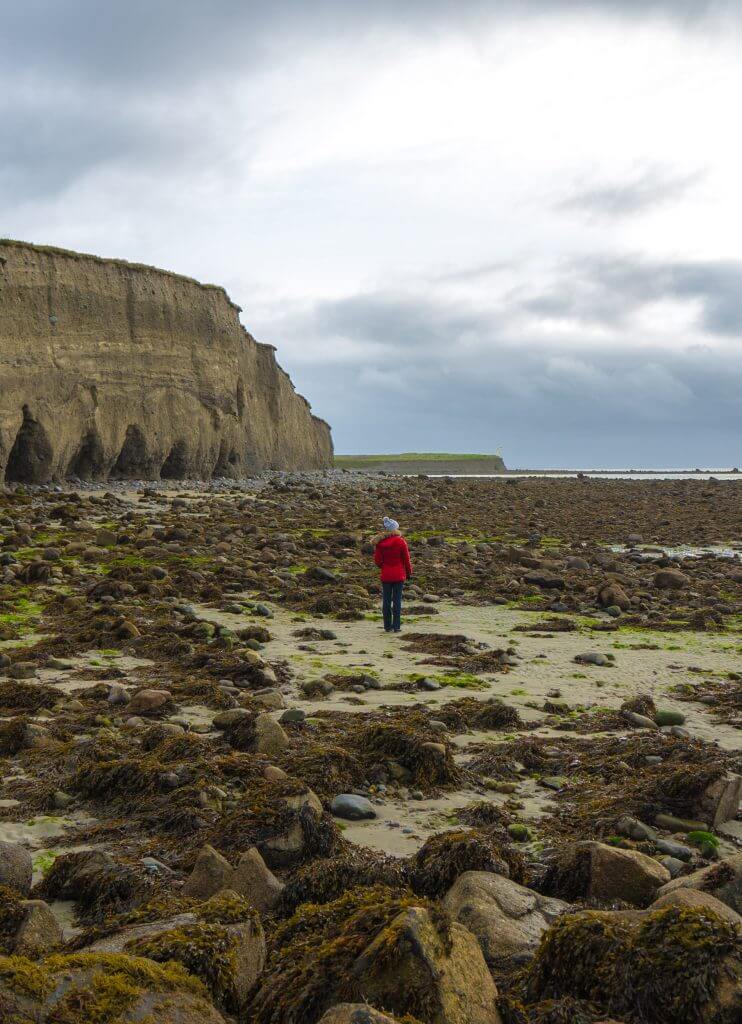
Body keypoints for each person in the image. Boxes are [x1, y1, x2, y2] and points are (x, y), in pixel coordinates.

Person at [373, 516, 412, 633]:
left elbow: (377, 561)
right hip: (399, 575)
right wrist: (409, 572)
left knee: (386, 601)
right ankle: (396, 626)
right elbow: (406, 559)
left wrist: (384, 567)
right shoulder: (401, 542)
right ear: (395, 529)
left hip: (386, 575)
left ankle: (387, 626)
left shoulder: (380, 543)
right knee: (397, 601)